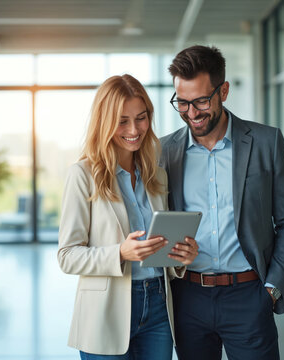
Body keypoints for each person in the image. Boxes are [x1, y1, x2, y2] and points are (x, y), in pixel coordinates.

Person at [159, 45, 284, 360]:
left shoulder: (266, 142)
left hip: (250, 295)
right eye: (181, 102)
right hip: (188, 297)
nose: (192, 113)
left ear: (223, 91)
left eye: (201, 100)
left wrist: (272, 288)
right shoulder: (164, 152)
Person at [57, 74, 199, 360]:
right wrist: (120, 253)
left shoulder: (156, 175)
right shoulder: (83, 175)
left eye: (141, 117)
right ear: (105, 122)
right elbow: (67, 256)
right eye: (122, 121)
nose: (134, 129)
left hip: (158, 305)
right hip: (105, 311)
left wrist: (181, 258)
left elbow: (160, 249)